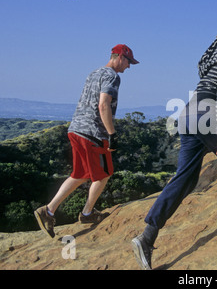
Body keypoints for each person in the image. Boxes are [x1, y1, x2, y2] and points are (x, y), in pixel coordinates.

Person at [132, 1, 217, 270]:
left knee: (184, 179)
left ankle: (146, 238)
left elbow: (206, 81)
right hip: (210, 114)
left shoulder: (216, 46)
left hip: (190, 112)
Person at [34, 44, 139, 238]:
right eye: (129, 62)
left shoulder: (93, 73)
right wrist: (112, 134)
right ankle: (87, 213)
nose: (129, 67)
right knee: (105, 173)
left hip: (76, 129)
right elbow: (103, 104)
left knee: (80, 173)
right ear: (120, 57)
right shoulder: (113, 76)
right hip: (92, 132)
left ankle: (47, 211)